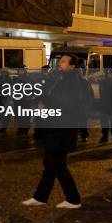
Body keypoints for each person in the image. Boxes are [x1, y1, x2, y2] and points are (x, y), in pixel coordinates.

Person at [22, 54, 83, 209]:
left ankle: (74, 199)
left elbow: (67, 105)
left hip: (62, 130)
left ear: (72, 66)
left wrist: (47, 106)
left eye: (63, 61)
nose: (59, 63)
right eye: (59, 61)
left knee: (56, 164)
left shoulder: (72, 82)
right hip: (55, 128)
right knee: (50, 164)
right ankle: (41, 197)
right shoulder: (60, 78)